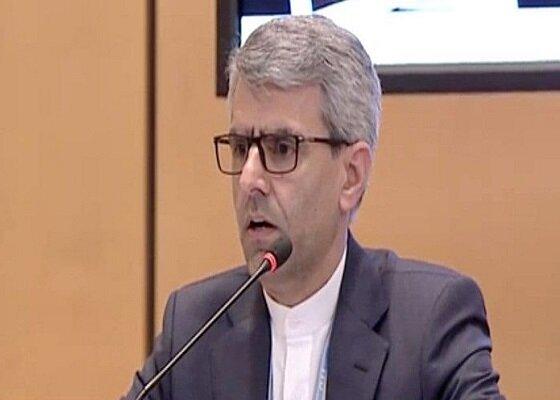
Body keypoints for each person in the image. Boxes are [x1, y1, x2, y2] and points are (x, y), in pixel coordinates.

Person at [123, 15, 504, 400]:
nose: (249, 179)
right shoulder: (193, 329)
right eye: (240, 148)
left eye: (281, 148)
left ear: (351, 176)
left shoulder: (428, 323)